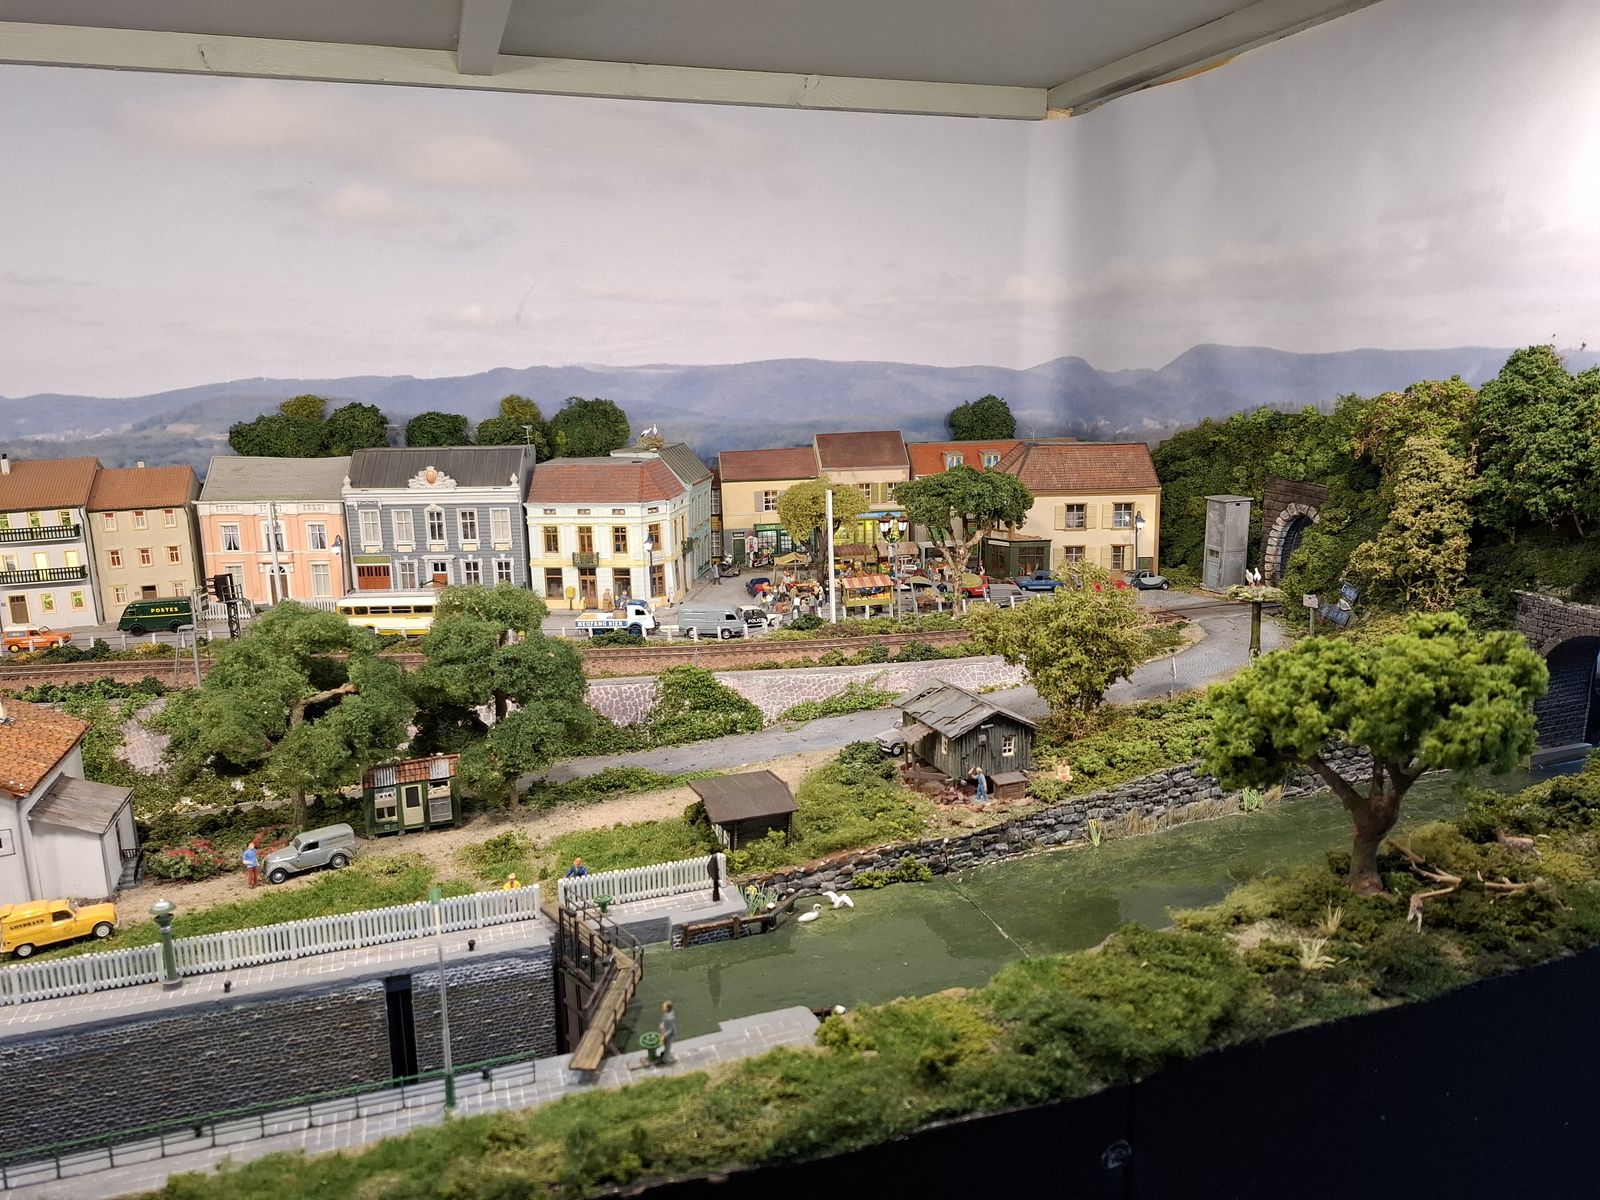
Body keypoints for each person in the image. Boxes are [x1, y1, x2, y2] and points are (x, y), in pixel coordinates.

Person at [658, 1000, 677, 1065]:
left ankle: (665, 1059)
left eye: (664, 1006)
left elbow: (671, 1029)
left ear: (668, 1008)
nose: (662, 1007)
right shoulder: (668, 1013)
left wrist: (664, 1036)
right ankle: (665, 1053)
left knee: (668, 1047)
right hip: (666, 1031)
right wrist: (663, 1024)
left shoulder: (670, 1018)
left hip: (669, 1035)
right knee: (666, 1045)